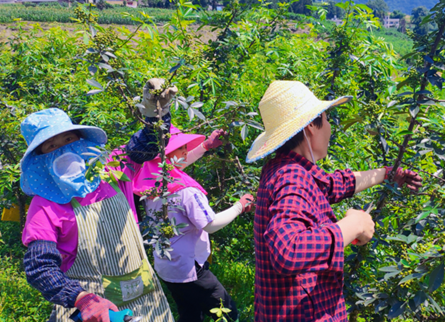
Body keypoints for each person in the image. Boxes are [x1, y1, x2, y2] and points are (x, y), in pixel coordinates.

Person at [246, 81, 423, 322]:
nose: (329, 128)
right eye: (327, 119)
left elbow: (330, 185)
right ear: (310, 127)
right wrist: (352, 226)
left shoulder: (284, 167)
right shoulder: (292, 177)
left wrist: (388, 174)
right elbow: (288, 250)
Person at [20, 78, 177, 322]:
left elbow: (146, 144)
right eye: (51, 146)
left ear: (81, 140)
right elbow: (40, 266)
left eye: (67, 140)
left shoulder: (111, 170)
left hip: (146, 301)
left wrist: (156, 112)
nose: (62, 150)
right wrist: (81, 299)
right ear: (40, 159)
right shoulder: (45, 205)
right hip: (90, 312)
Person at [133, 125, 254, 322]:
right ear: (167, 154)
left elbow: (175, 164)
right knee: (229, 314)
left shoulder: (150, 183)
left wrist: (206, 146)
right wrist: (239, 206)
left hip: (168, 266)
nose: (186, 150)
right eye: (180, 148)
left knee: (189, 315)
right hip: (191, 270)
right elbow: (211, 224)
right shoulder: (186, 191)